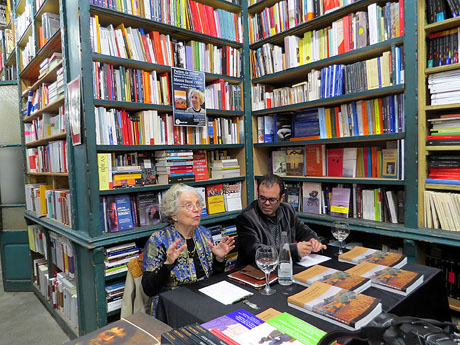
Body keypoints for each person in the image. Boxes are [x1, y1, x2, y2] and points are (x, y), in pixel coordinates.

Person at [142, 183, 235, 316]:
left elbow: (212, 279)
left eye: (198, 204)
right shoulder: (158, 240)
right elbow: (148, 289)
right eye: (188, 205)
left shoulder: (205, 234)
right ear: (173, 213)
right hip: (171, 306)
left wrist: (219, 260)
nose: (196, 209)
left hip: (203, 300)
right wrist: (167, 265)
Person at [236, 174, 326, 266]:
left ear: (282, 198)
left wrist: (313, 241)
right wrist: (292, 250)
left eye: (272, 200)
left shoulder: (288, 210)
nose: (266, 203)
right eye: (262, 198)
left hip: (283, 267)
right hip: (256, 271)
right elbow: (255, 251)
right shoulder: (246, 217)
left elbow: (304, 231)